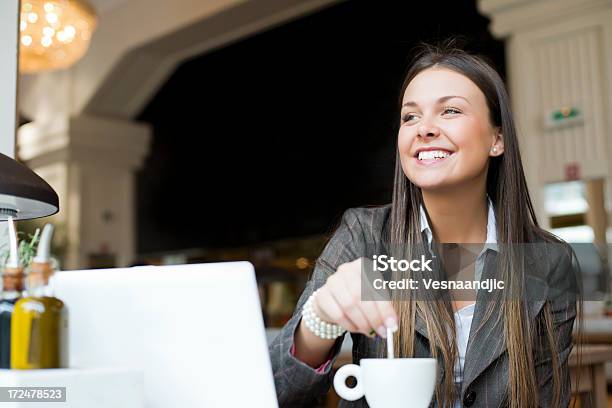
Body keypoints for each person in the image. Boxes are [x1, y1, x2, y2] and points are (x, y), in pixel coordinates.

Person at [269, 44, 582, 408]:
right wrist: (321, 317)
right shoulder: (364, 236)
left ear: (497, 139)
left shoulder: (548, 261)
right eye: (410, 117)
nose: (425, 129)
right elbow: (276, 391)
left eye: (450, 110)